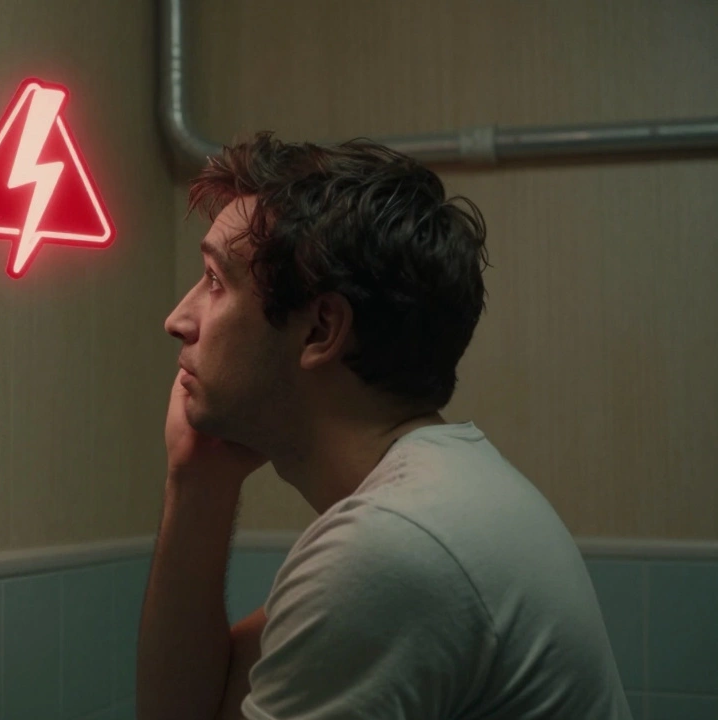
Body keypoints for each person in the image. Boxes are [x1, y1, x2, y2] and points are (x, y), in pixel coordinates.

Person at [137, 133, 631, 720]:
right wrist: (199, 480)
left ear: (321, 329)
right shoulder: (443, 498)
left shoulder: (391, 548)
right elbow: (202, 707)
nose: (177, 319)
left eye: (216, 281)